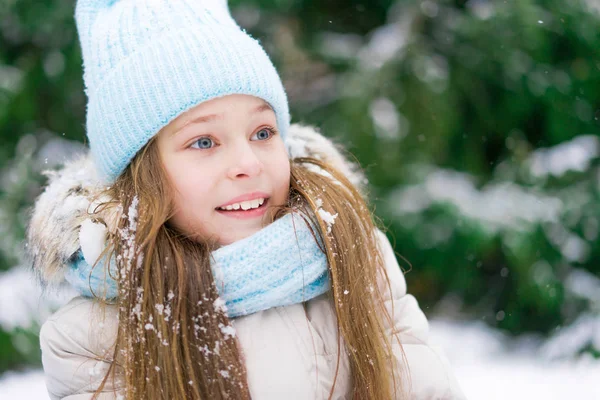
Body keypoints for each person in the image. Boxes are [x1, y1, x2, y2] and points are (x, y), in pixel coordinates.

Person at [26, 0, 466, 399]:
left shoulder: (353, 260)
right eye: (203, 142)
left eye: (262, 132)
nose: (248, 163)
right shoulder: (94, 337)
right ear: (141, 177)